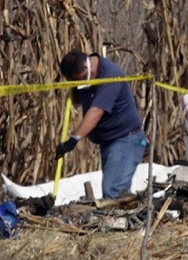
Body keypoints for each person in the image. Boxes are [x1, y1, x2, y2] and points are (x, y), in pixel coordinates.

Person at [56, 51, 147, 200]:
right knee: (114, 190)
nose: (81, 84)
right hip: (109, 142)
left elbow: (96, 111)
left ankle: (118, 221)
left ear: (86, 67)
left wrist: (73, 140)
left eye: (81, 80)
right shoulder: (88, 76)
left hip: (125, 139)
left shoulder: (110, 76)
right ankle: (122, 217)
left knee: (113, 191)